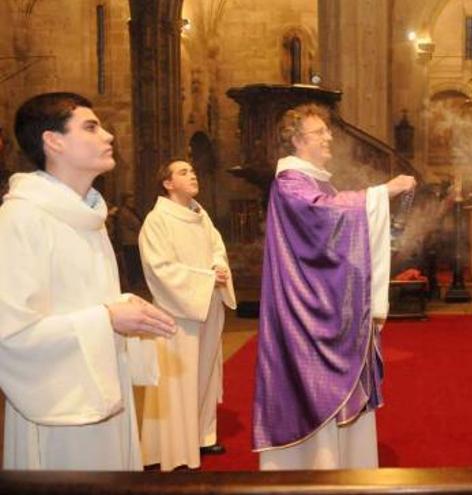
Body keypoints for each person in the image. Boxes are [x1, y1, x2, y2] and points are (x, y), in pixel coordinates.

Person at [0, 92, 176, 470]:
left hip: (107, 390)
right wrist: (108, 319)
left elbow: (85, 300)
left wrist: (125, 308)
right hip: (59, 409)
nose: (109, 136)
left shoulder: (87, 217)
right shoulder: (21, 219)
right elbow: (10, 335)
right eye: (91, 127)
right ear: (54, 141)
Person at [252, 103, 416, 470]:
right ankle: (318, 470)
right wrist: (381, 192)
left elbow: (334, 235)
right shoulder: (291, 182)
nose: (329, 137)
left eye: (328, 131)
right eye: (319, 132)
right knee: (315, 384)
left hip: (321, 301)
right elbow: (327, 216)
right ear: (297, 140)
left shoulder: (314, 180)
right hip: (305, 314)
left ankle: (340, 467)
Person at [138, 160, 236, 470]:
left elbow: (217, 248)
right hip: (178, 312)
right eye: (183, 172)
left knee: (205, 373)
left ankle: (202, 435)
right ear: (167, 184)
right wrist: (206, 278)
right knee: (178, 380)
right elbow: (159, 268)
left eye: (193, 170)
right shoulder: (157, 220)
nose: (192, 174)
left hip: (207, 305)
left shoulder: (200, 214)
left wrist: (218, 268)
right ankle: (172, 450)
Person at [116, 192, 144, 290]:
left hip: (133, 241)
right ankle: (133, 282)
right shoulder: (125, 212)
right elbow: (135, 224)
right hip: (129, 241)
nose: (132, 202)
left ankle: (135, 281)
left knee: (134, 261)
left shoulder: (131, 211)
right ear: (125, 201)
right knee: (131, 262)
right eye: (130, 200)